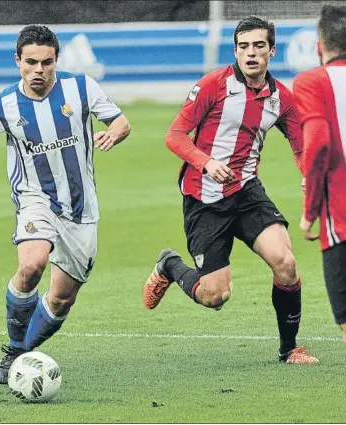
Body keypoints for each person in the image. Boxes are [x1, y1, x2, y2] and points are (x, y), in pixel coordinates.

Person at [143, 15, 319, 364]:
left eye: (258, 46)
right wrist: (206, 162)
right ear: (235, 51)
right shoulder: (213, 84)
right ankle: (169, 265)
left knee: (285, 263)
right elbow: (174, 136)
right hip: (204, 197)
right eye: (243, 47)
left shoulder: (281, 98)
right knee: (215, 295)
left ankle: (289, 349)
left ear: (271, 50)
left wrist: (309, 173)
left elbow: (301, 148)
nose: (251, 54)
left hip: (247, 191)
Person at [0, 24, 131, 384]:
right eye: (31, 63)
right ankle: (13, 348)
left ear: (56, 61)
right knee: (32, 264)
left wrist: (112, 133)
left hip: (81, 209)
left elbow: (121, 122)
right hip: (34, 198)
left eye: (47, 63)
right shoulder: (2, 104)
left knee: (61, 300)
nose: (39, 70)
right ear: (17, 60)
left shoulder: (81, 88)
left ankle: (22, 351)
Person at [293, 5, 346, 343]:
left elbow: (318, 146)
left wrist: (310, 211)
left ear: (318, 46)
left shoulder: (312, 82)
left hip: (340, 219)